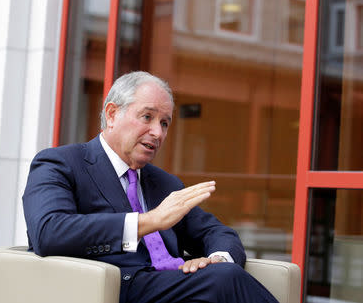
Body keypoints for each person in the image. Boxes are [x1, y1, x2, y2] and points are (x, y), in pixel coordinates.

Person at [22, 71, 278, 303]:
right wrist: (149, 221)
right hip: (117, 288)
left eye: (165, 123)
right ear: (112, 114)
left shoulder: (164, 183)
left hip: (172, 284)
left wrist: (216, 259)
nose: (158, 132)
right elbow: (49, 231)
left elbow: (217, 232)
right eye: (147, 117)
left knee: (222, 273)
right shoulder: (60, 163)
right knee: (225, 279)